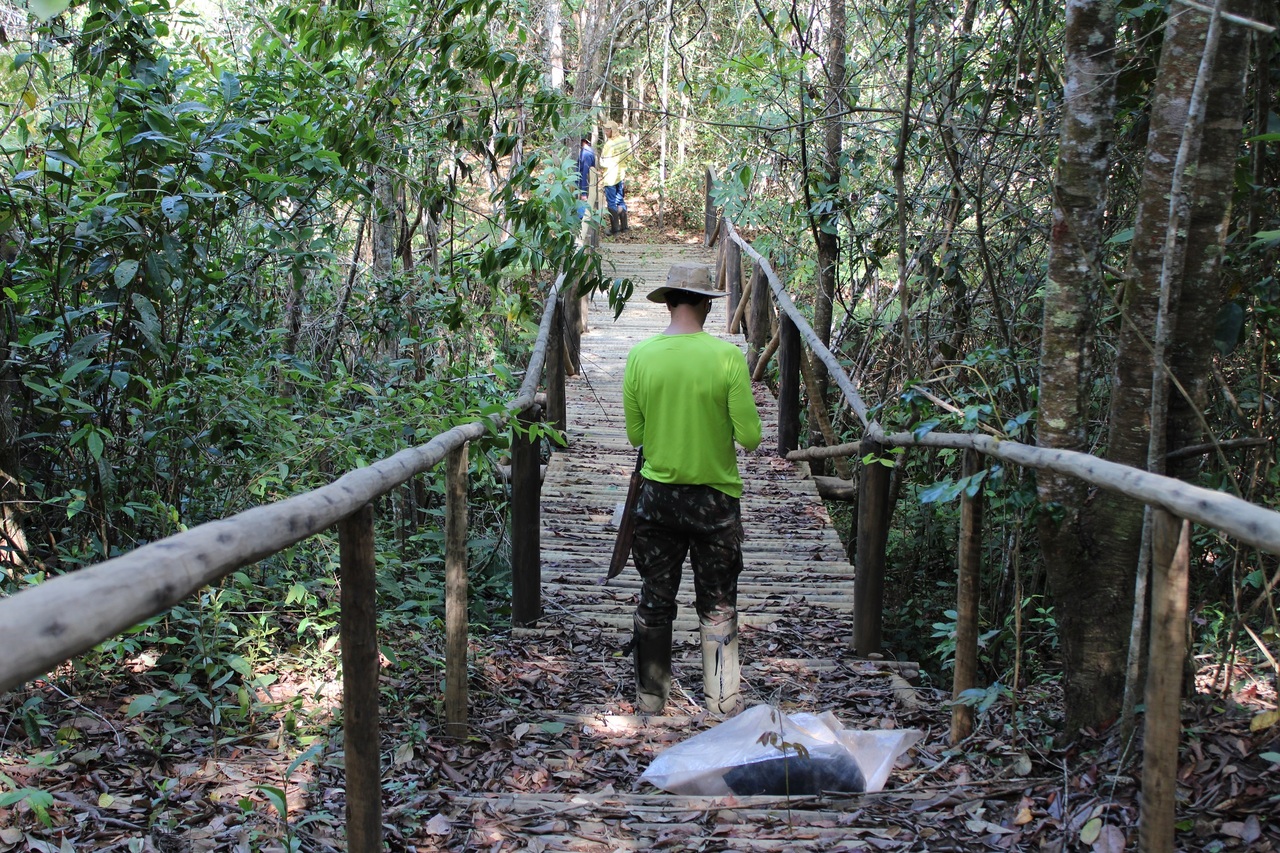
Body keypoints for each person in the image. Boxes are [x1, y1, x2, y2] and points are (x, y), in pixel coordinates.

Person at [621, 262, 763, 715]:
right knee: (718, 604)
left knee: (655, 598)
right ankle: (721, 704)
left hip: (657, 499)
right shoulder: (726, 358)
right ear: (705, 303)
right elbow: (751, 437)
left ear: (668, 302)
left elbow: (635, 435)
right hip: (714, 502)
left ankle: (650, 700)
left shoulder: (640, 357)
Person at [599, 120, 631, 235]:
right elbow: (629, 157)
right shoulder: (625, 141)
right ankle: (625, 227)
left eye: (608, 130)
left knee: (612, 203)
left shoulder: (609, 144)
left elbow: (604, 163)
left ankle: (615, 229)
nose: (606, 132)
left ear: (613, 130)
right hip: (621, 175)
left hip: (610, 178)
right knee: (620, 200)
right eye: (605, 130)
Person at [576, 136, 595, 219]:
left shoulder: (586, 153)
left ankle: (582, 219)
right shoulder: (587, 151)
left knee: (583, 204)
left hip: (584, 184)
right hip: (584, 183)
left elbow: (585, 173)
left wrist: (583, 193)